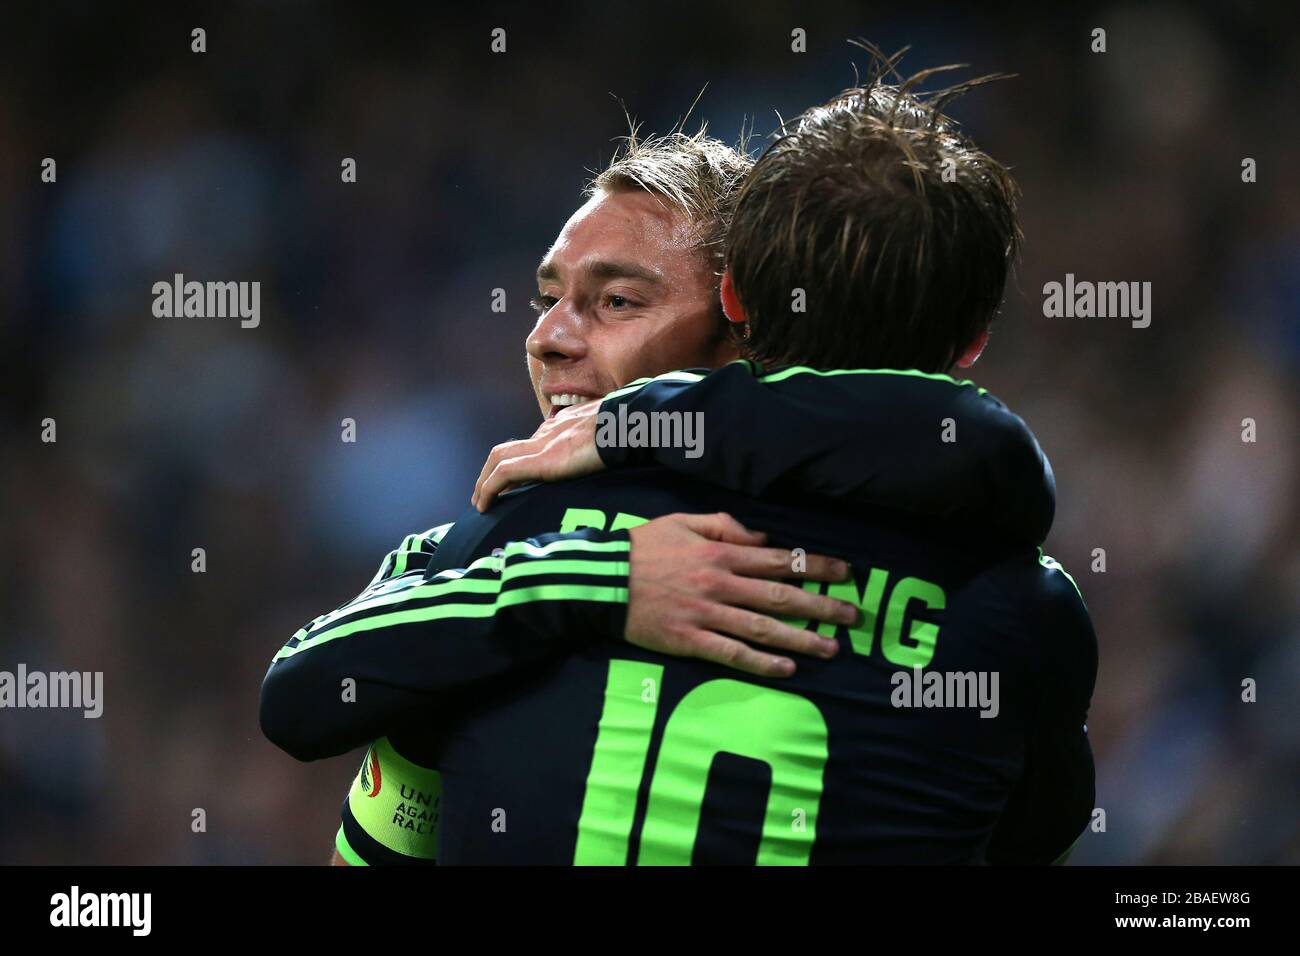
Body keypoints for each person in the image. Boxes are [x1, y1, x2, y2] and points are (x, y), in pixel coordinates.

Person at [262, 60, 1086, 864]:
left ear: (740, 314)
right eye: (547, 296)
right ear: (972, 343)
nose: (548, 336)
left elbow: (304, 711)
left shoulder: (507, 550)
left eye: (619, 301)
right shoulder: (1021, 607)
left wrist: (601, 544)